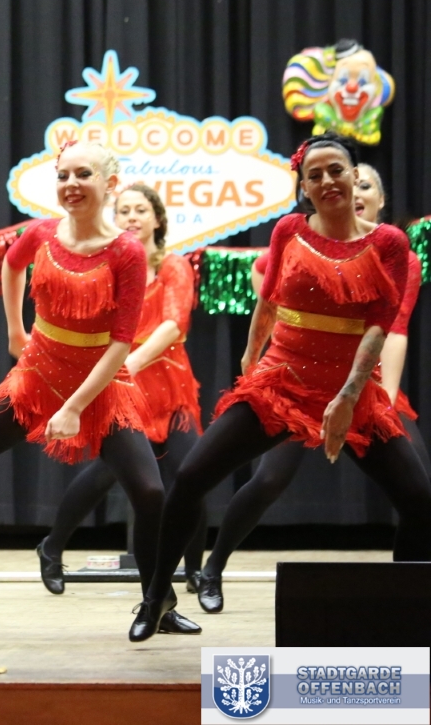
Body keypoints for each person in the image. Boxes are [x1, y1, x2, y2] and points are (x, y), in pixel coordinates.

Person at [0, 141, 199, 637]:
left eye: (83, 174)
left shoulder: (127, 252)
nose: (71, 184)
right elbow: (11, 265)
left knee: (151, 493)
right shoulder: (42, 233)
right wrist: (15, 330)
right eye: (63, 175)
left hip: (100, 387)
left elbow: (120, 343)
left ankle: (157, 601)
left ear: (110, 183)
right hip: (37, 376)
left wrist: (74, 406)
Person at [131, 134, 431, 642]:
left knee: (420, 501)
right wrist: (251, 361)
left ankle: (408, 612)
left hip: (351, 390)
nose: (327, 181)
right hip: (282, 381)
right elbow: (268, 302)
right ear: (304, 188)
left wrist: (348, 397)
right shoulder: (290, 230)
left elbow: (381, 325)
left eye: (336, 170)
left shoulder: (388, 243)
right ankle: (157, 597)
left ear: (354, 175)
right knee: (191, 478)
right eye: (314, 175)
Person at [195, 162, 430, 613]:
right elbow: (264, 279)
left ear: (379, 200)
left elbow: (394, 331)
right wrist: (280, 332)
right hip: (298, 383)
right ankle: (213, 567)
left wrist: (384, 397)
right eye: (328, 179)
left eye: (366, 185)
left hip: (364, 386)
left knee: (419, 495)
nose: (352, 190)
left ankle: (410, 600)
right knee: (268, 480)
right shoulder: (301, 238)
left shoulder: (397, 254)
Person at [35, 183, 206, 594]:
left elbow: (174, 324)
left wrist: (133, 360)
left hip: (169, 387)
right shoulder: (113, 264)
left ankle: (195, 569)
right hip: (122, 386)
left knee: (192, 475)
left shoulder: (173, 266)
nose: (132, 217)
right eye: (124, 210)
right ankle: (52, 548)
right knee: (105, 473)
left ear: (157, 219)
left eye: (140, 210)